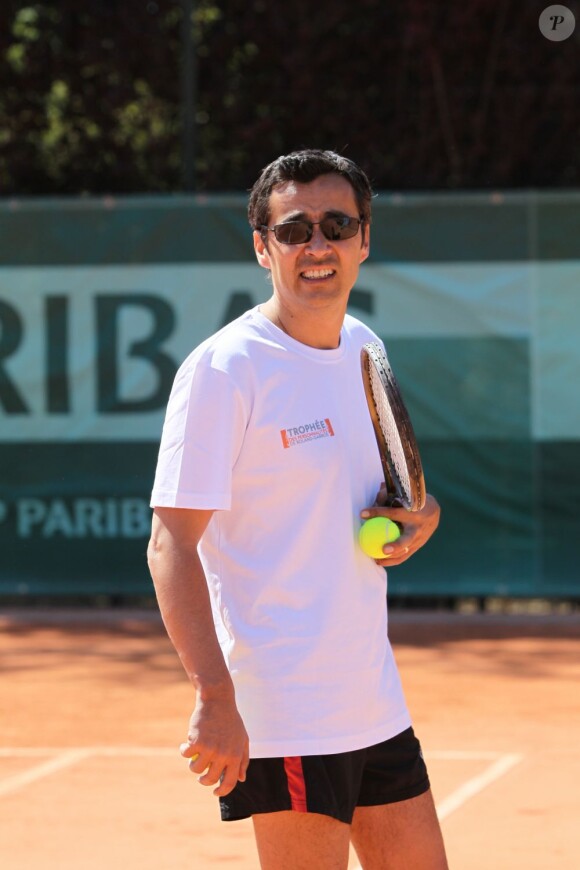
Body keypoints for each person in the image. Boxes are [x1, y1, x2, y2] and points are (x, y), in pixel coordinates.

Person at [147, 149, 448, 869]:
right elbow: (171, 545)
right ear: (262, 247)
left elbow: (395, 499)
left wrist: (423, 518)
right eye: (294, 229)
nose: (318, 245)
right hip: (284, 714)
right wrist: (215, 694)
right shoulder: (226, 369)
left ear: (364, 240)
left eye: (337, 224)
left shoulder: (366, 350)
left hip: (373, 701)